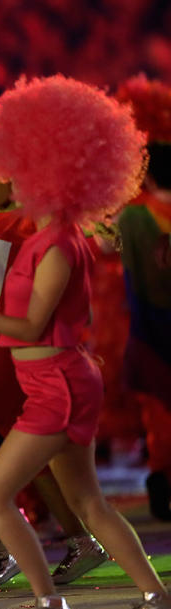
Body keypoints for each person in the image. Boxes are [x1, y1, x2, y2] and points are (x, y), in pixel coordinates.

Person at [0, 76, 169, 609]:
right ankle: (154, 598)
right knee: (89, 503)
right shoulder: (41, 237)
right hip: (53, 381)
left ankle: (50, 607)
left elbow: (33, 324)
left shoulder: (58, 244)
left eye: (9, 166)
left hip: (57, 384)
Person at [0, 112, 108, 589]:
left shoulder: (38, 223)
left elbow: (80, 239)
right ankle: (79, 543)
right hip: (0, 349)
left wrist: (101, 232)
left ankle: (2, 548)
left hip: (11, 350)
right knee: (27, 454)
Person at [114, 75, 171, 521]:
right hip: (149, 323)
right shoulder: (135, 215)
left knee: (158, 412)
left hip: (147, 325)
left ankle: (160, 476)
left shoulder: (131, 215)